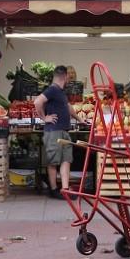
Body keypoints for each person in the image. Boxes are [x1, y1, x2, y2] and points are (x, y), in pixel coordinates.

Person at [34, 65, 84, 199]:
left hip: (64, 130)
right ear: (65, 76)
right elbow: (37, 102)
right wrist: (44, 118)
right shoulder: (52, 89)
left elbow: (68, 107)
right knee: (53, 161)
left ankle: (65, 189)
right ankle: (54, 189)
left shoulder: (61, 92)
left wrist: (79, 119)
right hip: (53, 131)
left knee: (66, 160)